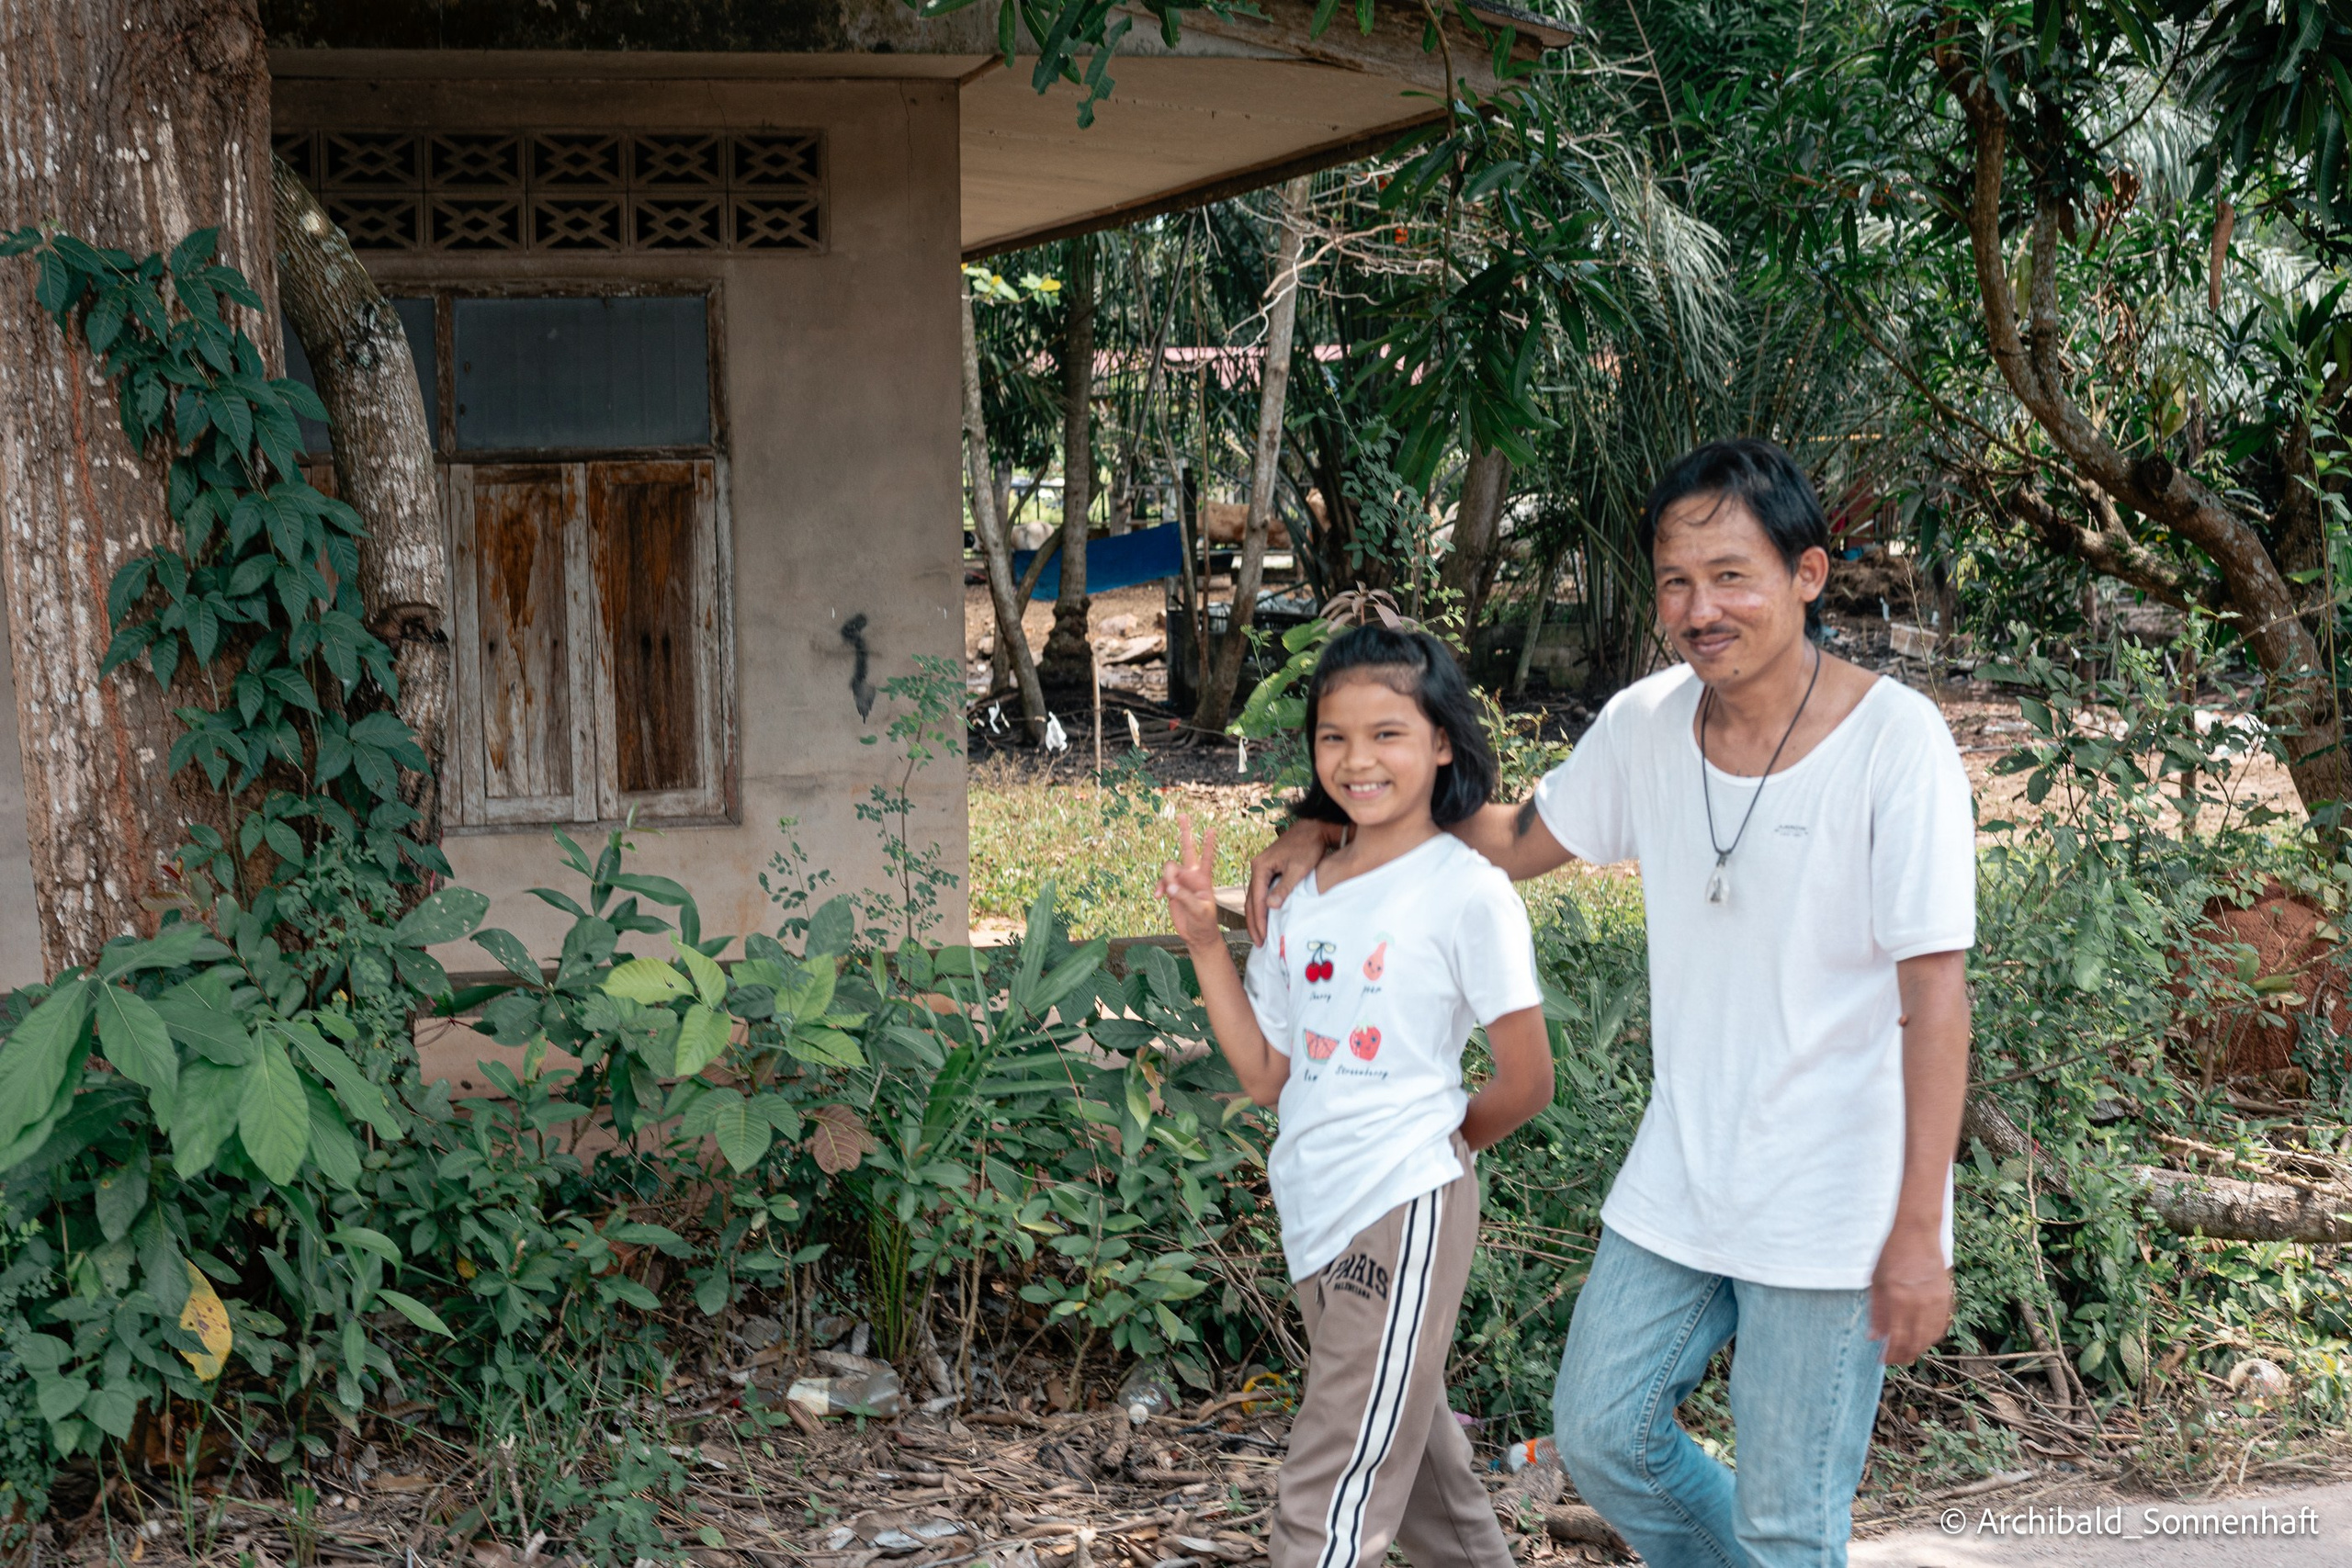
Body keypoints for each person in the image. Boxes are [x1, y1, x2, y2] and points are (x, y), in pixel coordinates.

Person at [1246, 440, 1975, 1568]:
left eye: (1732, 575)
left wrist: (1918, 1231)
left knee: (1790, 1521)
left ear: (1808, 576)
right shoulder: (1646, 726)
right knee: (1602, 1436)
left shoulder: (1896, 744)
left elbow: (1936, 999)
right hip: (1682, 1174)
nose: (1700, 608)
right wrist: (1328, 822)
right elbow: (1504, 839)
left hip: (1834, 1200)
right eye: (1677, 582)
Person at [1159, 623, 1555, 1568]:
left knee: (1330, 1483)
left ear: (1442, 743)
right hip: (1313, 1205)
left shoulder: (1469, 894)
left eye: (1388, 734)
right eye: (1334, 737)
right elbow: (1266, 1074)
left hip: (1400, 1198)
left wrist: (1432, 1151)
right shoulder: (1302, 894)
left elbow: (1526, 1081)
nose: (1357, 759)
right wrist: (1208, 943)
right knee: (1421, 1479)